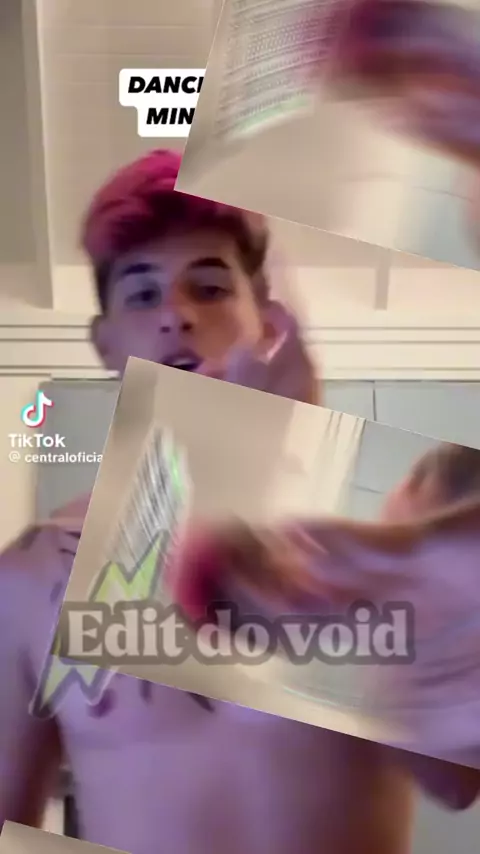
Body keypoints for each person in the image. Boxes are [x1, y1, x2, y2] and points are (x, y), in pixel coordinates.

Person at [0, 148, 417, 854]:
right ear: (104, 343)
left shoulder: (391, 558)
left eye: (211, 287)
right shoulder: (32, 577)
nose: (177, 315)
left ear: (268, 321)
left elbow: (458, 775)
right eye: (143, 294)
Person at [172, 442, 480, 804]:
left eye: (266, 569)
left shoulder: (428, 545)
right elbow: (457, 788)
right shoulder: (405, 695)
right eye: (261, 624)